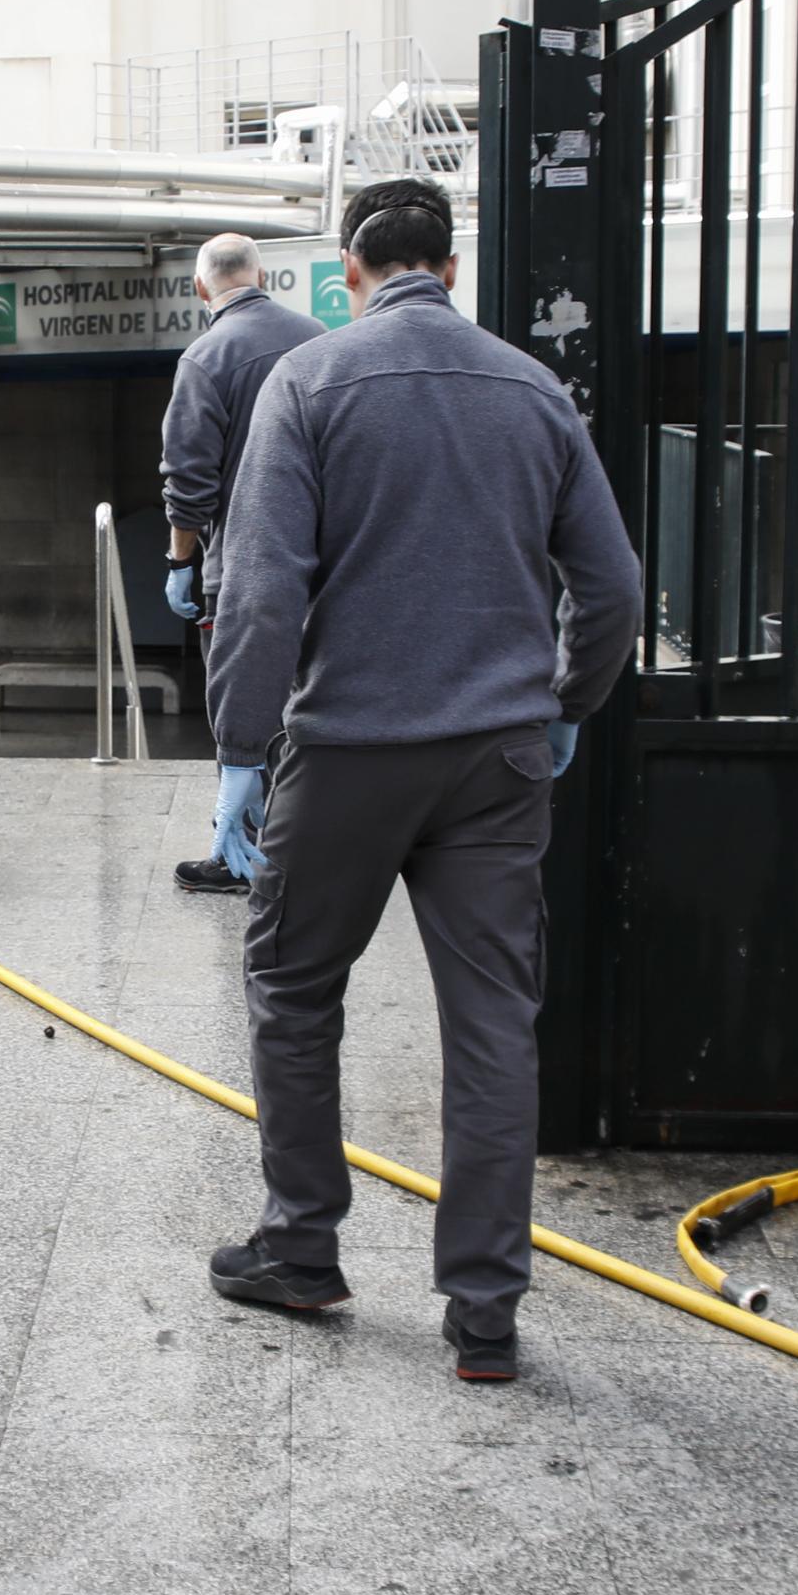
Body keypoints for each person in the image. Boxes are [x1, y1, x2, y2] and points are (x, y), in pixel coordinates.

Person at [201, 175, 639, 1384]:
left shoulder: (311, 380)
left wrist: (244, 748)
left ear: (351, 272)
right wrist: (567, 703)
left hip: (346, 750)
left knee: (294, 987)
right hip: (497, 757)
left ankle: (302, 1248)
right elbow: (611, 593)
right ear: (451, 270)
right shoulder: (533, 390)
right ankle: (486, 1311)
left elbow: (264, 583)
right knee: (494, 1022)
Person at [158, 230, 324, 895]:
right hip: (323, 565)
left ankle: (243, 856)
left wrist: (180, 562)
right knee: (306, 705)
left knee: (242, 703)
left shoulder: (206, 357)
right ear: (263, 277)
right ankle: (307, 845)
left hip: (243, 565)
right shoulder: (319, 339)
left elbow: (188, 478)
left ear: (203, 289)